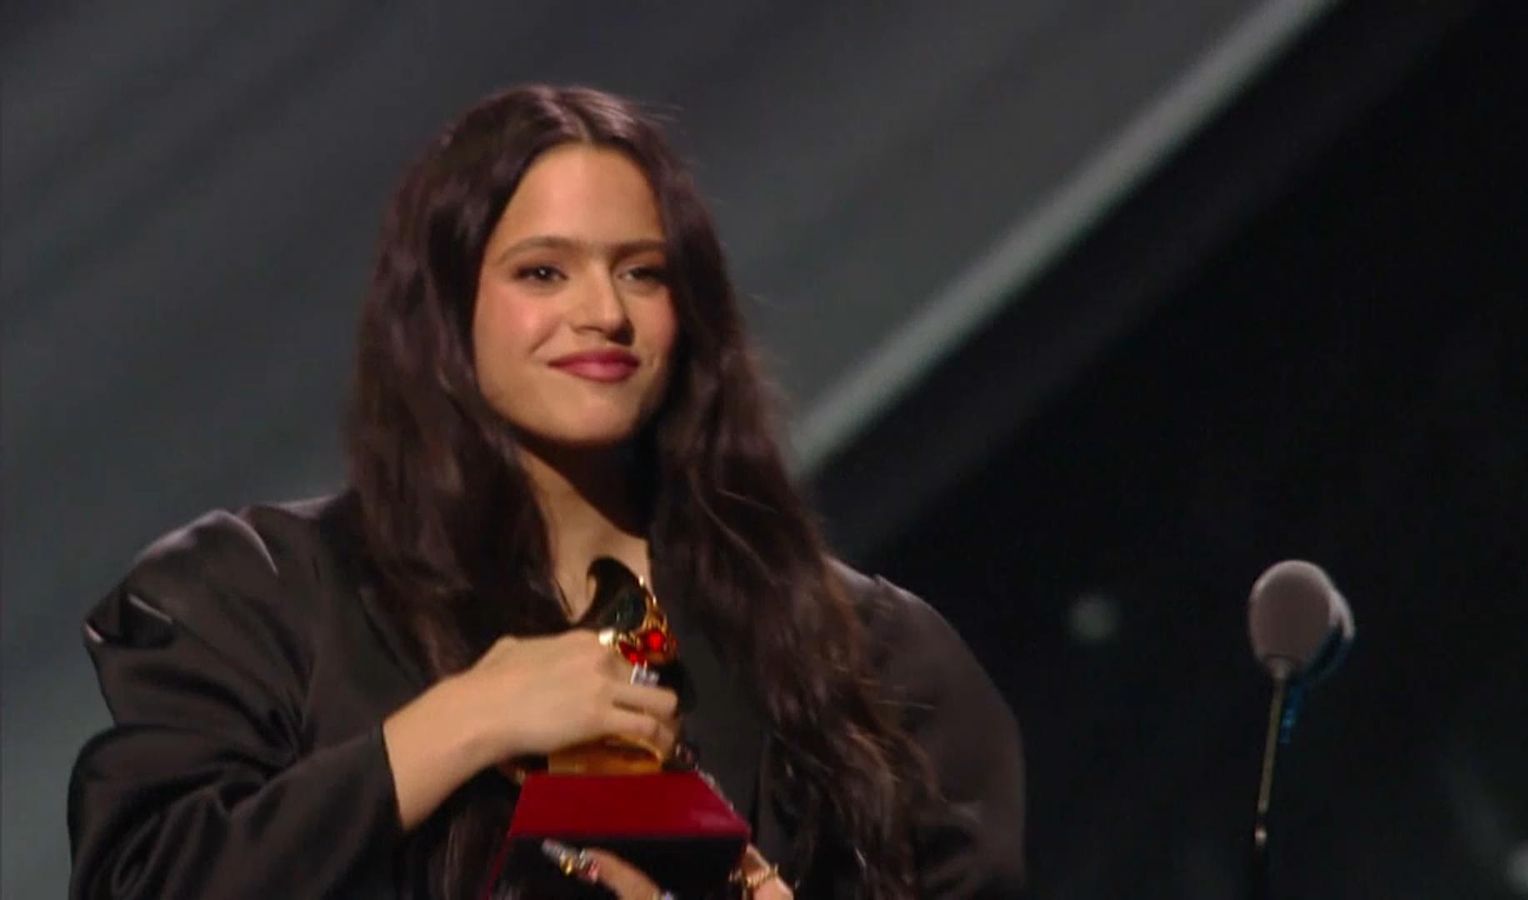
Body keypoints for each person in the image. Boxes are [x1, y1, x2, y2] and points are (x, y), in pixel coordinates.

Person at [67, 85, 1025, 899]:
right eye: (543, 271)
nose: (602, 313)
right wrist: (468, 720)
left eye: (642, 274)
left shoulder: (873, 655)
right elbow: (152, 877)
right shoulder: (262, 600)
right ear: (444, 306)